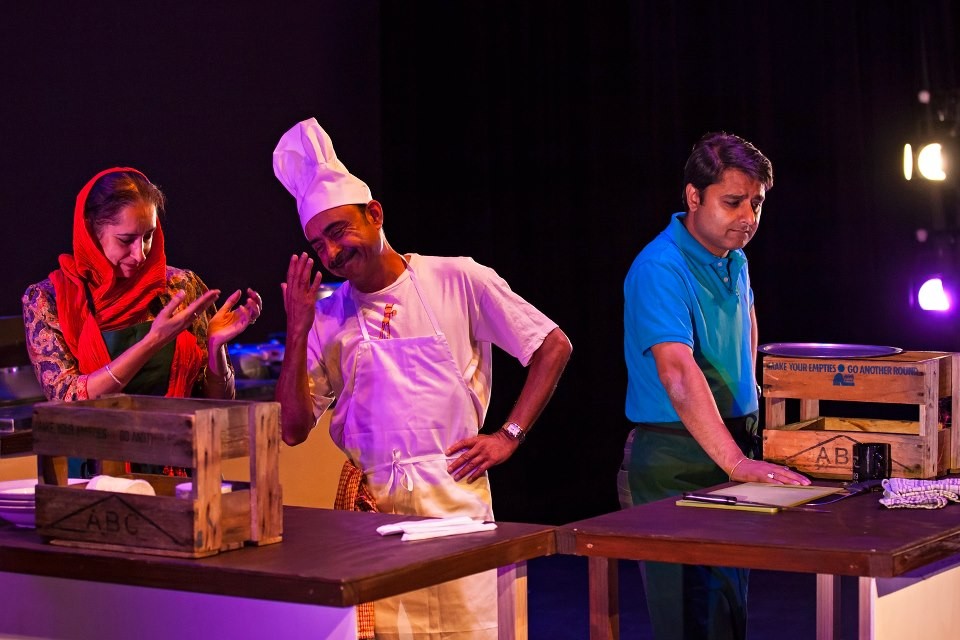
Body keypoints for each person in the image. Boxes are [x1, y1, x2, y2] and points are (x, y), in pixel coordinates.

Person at [273, 117, 572, 639]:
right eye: (318, 244)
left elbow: (551, 345)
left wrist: (509, 435)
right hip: (373, 519)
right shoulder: (329, 315)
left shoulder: (456, 278)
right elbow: (293, 429)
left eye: (339, 231)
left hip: (456, 503)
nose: (332, 252)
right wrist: (297, 333)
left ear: (375, 214)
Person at [619, 132, 810, 640]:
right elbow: (678, 373)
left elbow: (748, 323)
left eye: (757, 203)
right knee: (690, 618)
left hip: (731, 444)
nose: (748, 216)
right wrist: (739, 462)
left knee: (728, 612)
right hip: (675, 455)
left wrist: (754, 415)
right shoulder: (660, 267)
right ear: (693, 196)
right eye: (733, 202)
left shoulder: (734, 257)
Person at [23, 168, 262, 475]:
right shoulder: (49, 300)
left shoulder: (178, 287)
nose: (140, 253)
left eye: (148, 236)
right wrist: (152, 342)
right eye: (126, 240)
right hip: (97, 478)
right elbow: (69, 401)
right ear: (91, 230)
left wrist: (216, 347)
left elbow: (216, 404)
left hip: (178, 471)